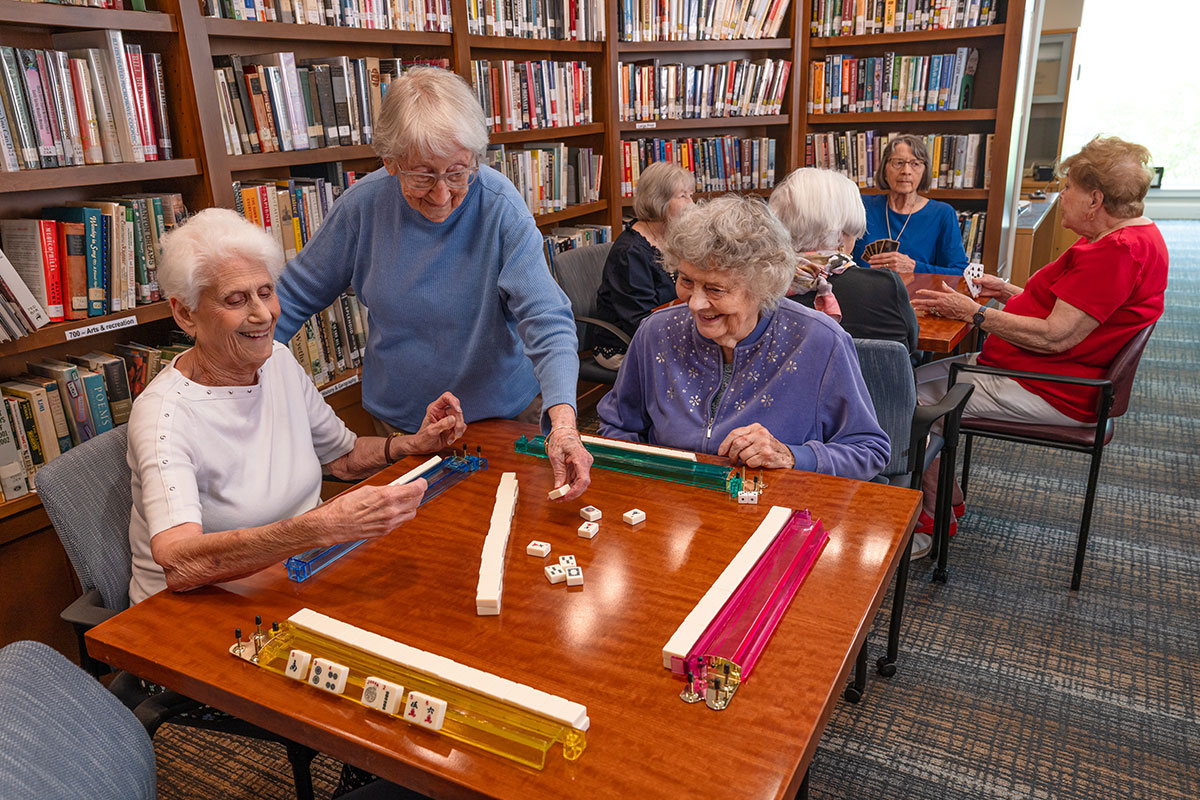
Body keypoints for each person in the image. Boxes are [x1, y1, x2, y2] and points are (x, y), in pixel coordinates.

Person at [271, 67, 592, 500]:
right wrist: (233, 375)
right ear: (390, 162)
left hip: (501, 415)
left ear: (476, 158)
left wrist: (565, 423)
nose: (441, 195)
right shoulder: (362, 208)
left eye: (457, 173)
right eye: (422, 176)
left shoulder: (499, 205)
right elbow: (289, 298)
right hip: (401, 424)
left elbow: (546, 316)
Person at [127, 209, 467, 604]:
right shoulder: (163, 416)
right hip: (200, 607)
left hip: (298, 573)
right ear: (185, 313)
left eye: (266, 292)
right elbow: (179, 565)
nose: (263, 314)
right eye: (236, 300)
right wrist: (320, 528)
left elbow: (342, 457)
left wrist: (408, 445)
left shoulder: (279, 361)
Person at [910, 135, 1168, 533]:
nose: (1061, 196)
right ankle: (948, 496)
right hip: (1044, 370)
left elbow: (1055, 337)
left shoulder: (1115, 252)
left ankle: (933, 513)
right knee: (904, 383)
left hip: (1055, 386)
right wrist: (1010, 293)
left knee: (904, 402)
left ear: (1095, 200)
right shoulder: (1136, 237)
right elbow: (1082, 313)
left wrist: (975, 313)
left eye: (1068, 189)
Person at [596, 196, 889, 479]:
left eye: (715, 289)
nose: (694, 303)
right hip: (673, 510)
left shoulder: (818, 342)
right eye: (686, 280)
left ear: (762, 287)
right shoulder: (656, 333)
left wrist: (791, 455)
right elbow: (617, 424)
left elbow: (868, 450)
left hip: (774, 511)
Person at [770, 167, 919, 355]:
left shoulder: (764, 287)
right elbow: (911, 346)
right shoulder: (885, 286)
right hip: (873, 385)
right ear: (841, 234)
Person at [592, 161, 694, 370]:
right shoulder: (630, 252)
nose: (692, 204)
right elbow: (640, 321)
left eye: (690, 194)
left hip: (667, 330)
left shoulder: (672, 238)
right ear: (659, 201)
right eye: (683, 196)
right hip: (626, 343)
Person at [851, 134, 969, 276]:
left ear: (924, 170)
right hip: (865, 294)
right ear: (885, 168)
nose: (906, 171)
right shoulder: (862, 206)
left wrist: (914, 267)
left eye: (915, 164)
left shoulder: (942, 214)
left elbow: (959, 272)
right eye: (898, 163)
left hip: (918, 296)